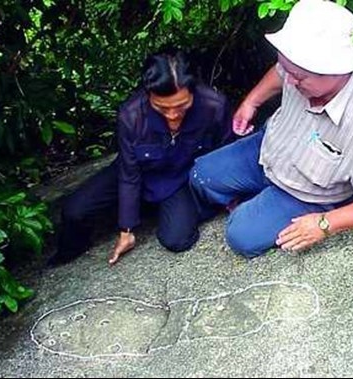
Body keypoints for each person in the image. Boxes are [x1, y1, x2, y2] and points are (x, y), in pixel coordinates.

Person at [190, 0, 353, 258]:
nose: (289, 79)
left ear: (333, 70)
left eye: (298, 76)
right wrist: (252, 101)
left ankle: (260, 205)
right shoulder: (297, 68)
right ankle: (253, 198)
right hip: (271, 147)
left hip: (309, 191)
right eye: (287, 68)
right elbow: (280, 72)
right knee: (201, 175)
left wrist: (324, 223)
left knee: (241, 236)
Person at [48, 50, 233, 267]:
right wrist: (126, 229)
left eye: (181, 106)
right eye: (162, 107)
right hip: (137, 171)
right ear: (148, 94)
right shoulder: (131, 115)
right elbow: (128, 174)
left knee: (176, 239)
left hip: (179, 178)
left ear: (194, 91)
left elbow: (225, 154)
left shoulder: (214, 106)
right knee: (74, 210)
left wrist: (228, 199)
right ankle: (69, 255)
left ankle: (171, 209)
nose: (172, 115)